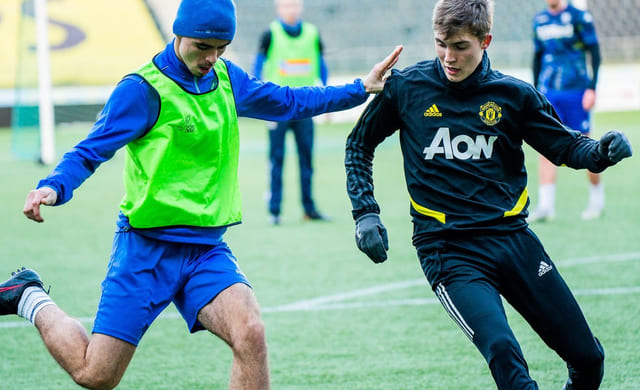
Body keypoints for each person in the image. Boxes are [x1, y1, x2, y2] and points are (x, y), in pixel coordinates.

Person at [0, 0, 402, 388]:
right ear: (179, 34)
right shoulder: (142, 90)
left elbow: (289, 100)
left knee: (251, 334)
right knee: (96, 374)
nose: (212, 57)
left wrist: (359, 88)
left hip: (206, 251)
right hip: (145, 249)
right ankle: (28, 297)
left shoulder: (229, 80)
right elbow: (91, 149)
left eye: (220, 48)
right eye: (203, 47)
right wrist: (53, 186)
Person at [345, 0, 631, 389]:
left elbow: (565, 147)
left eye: (460, 46)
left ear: (486, 40)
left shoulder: (514, 96)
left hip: (513, 240)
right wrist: (366, 212)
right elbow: (358, 144)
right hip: (448, 249)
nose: (448, 56)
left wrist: (601, 153)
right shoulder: (407, 87)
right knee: (506, 357)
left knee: (588, 359)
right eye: (441, 43)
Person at [253, 0, 330, 225]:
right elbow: (257, 67)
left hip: (305, 107)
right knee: (276, 159)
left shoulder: (312, 33)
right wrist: (259, 99)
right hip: (277, 108)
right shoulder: (270, 34)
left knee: (307, 159)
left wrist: (326, 101)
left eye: (294, 5)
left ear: (301, 7)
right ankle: (274, 210)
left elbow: (321, 66)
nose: (291, 9)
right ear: (279, 8)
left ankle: (309, 208)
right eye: (286, 5)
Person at [529, 0, 602, 221]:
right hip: (549, 92)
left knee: (587, 145)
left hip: (576, 91)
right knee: (545, 146)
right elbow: (537, 57)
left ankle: (596, 200)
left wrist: (592, 88)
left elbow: (595, 53)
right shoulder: (539, 21)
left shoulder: (580, 17)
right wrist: (535, 91)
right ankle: (546, 206)